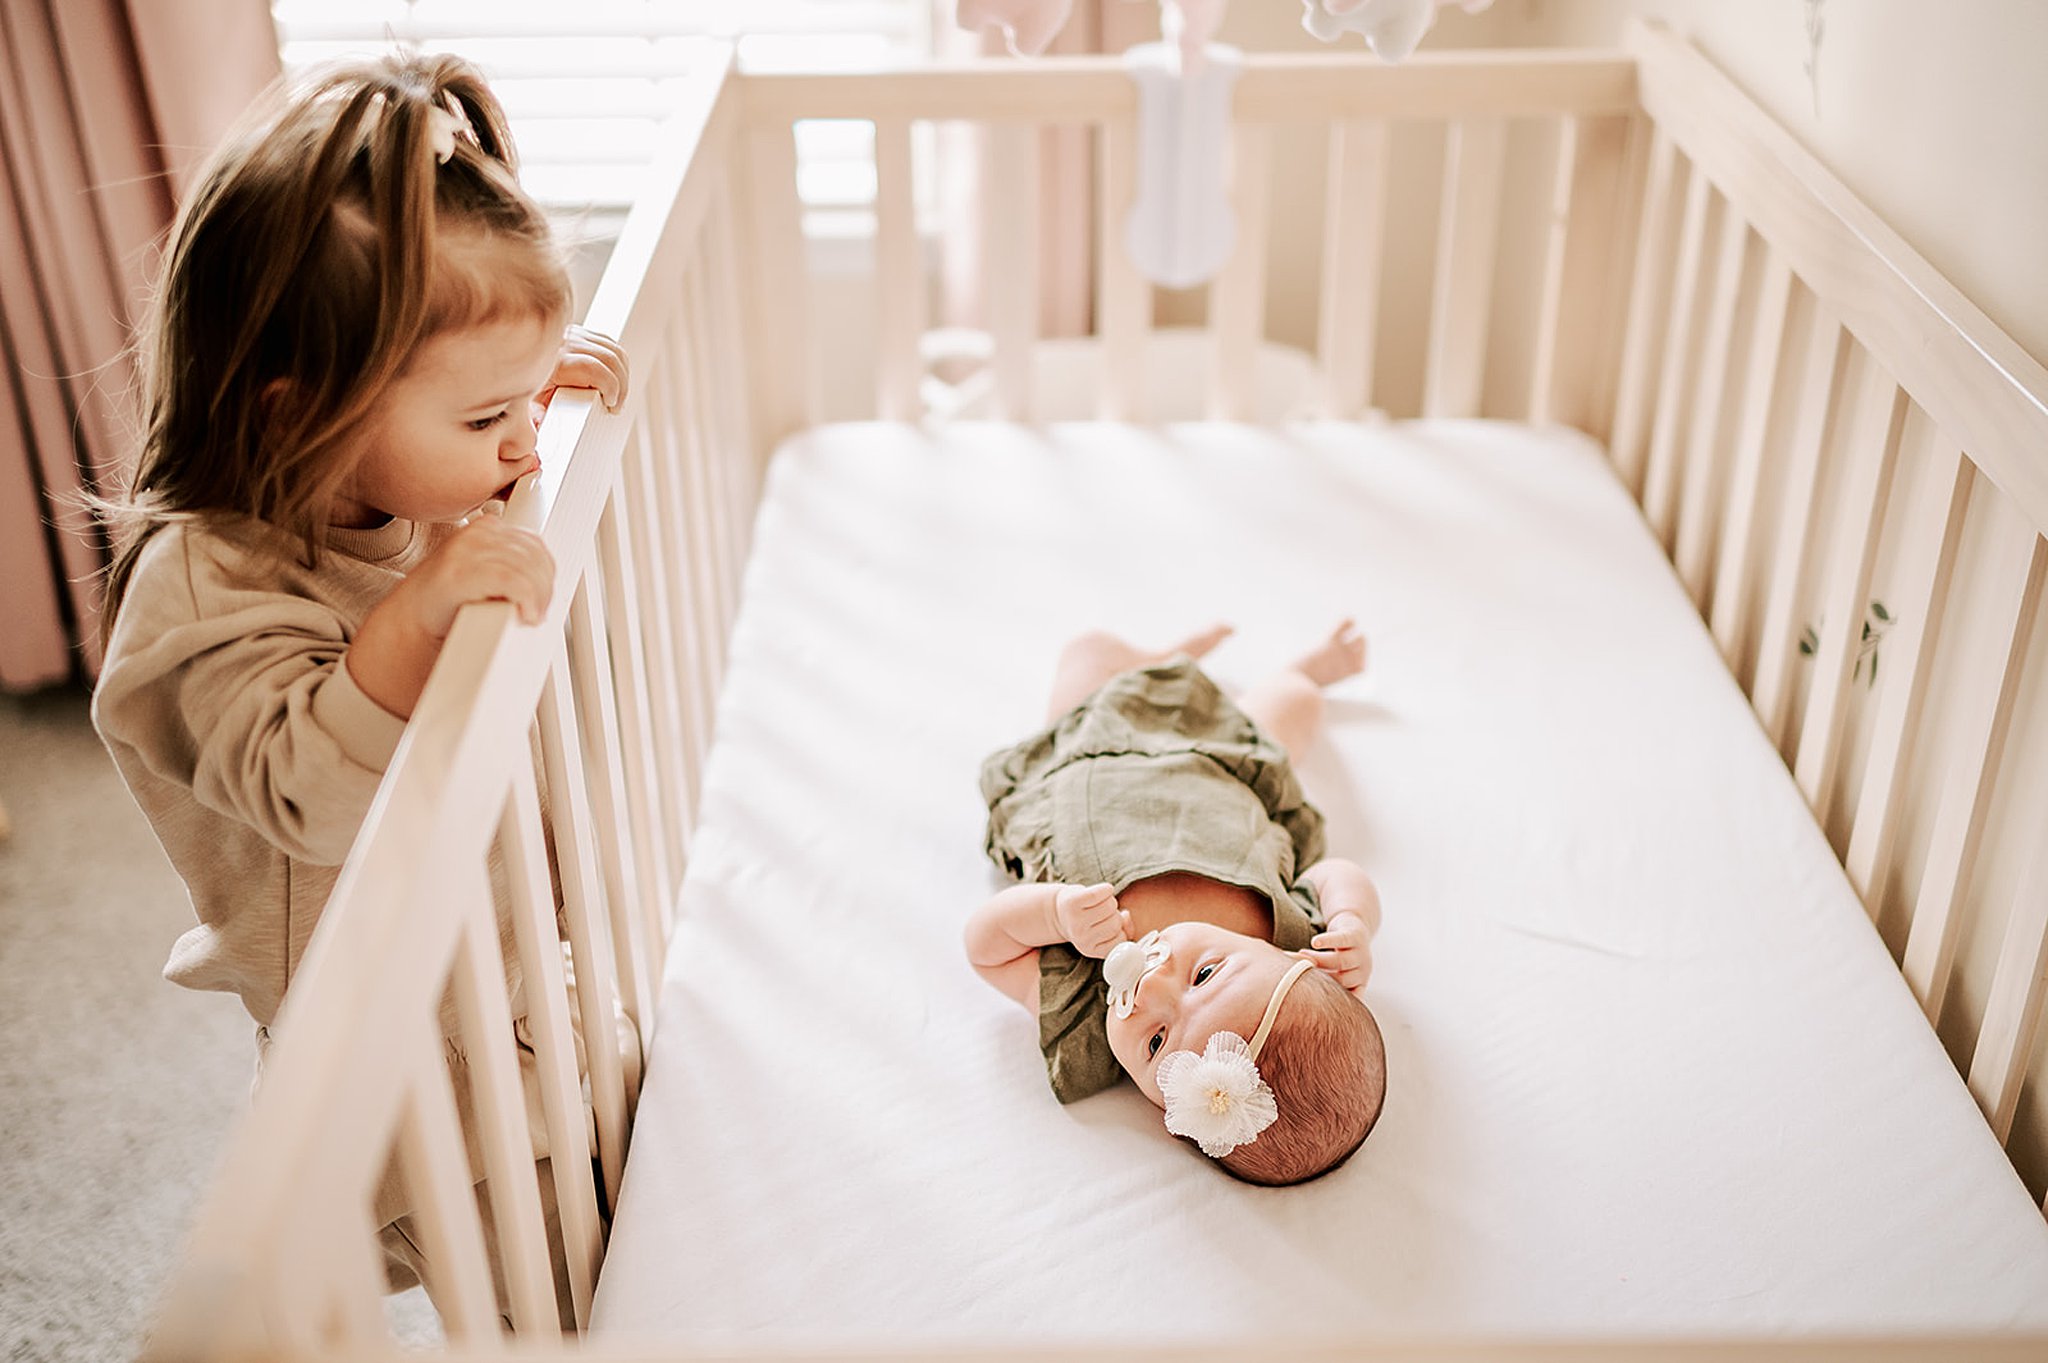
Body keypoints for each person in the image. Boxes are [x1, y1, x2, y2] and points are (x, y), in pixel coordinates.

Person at [91, 51, 629, 1325]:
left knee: (618, 1198)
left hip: (497, 966)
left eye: (523, 404)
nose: (520, 449)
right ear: (304, 416)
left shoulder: (381, 472)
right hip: (396, 1034)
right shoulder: (200, 587)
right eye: (487, 416)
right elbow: (306, 792)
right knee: (548, 1301)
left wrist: (510, 388)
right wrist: (421, 610)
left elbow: (444, 434)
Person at [966, 623, 1387, 1185]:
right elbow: (1338, 873)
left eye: (1156, 1041)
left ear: (1162, 1111)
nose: (1150, 989)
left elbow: (985, 948)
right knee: (1295, 703)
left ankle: (1152, 665)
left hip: (1087, 756)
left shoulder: (1085, 1023)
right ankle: (1301, 673)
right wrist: (1352, 922)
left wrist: (1055, 912)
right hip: (1222, 760)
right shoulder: (1291, 935)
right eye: (1205, 973)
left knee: (1089, 653)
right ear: (1296, 962)